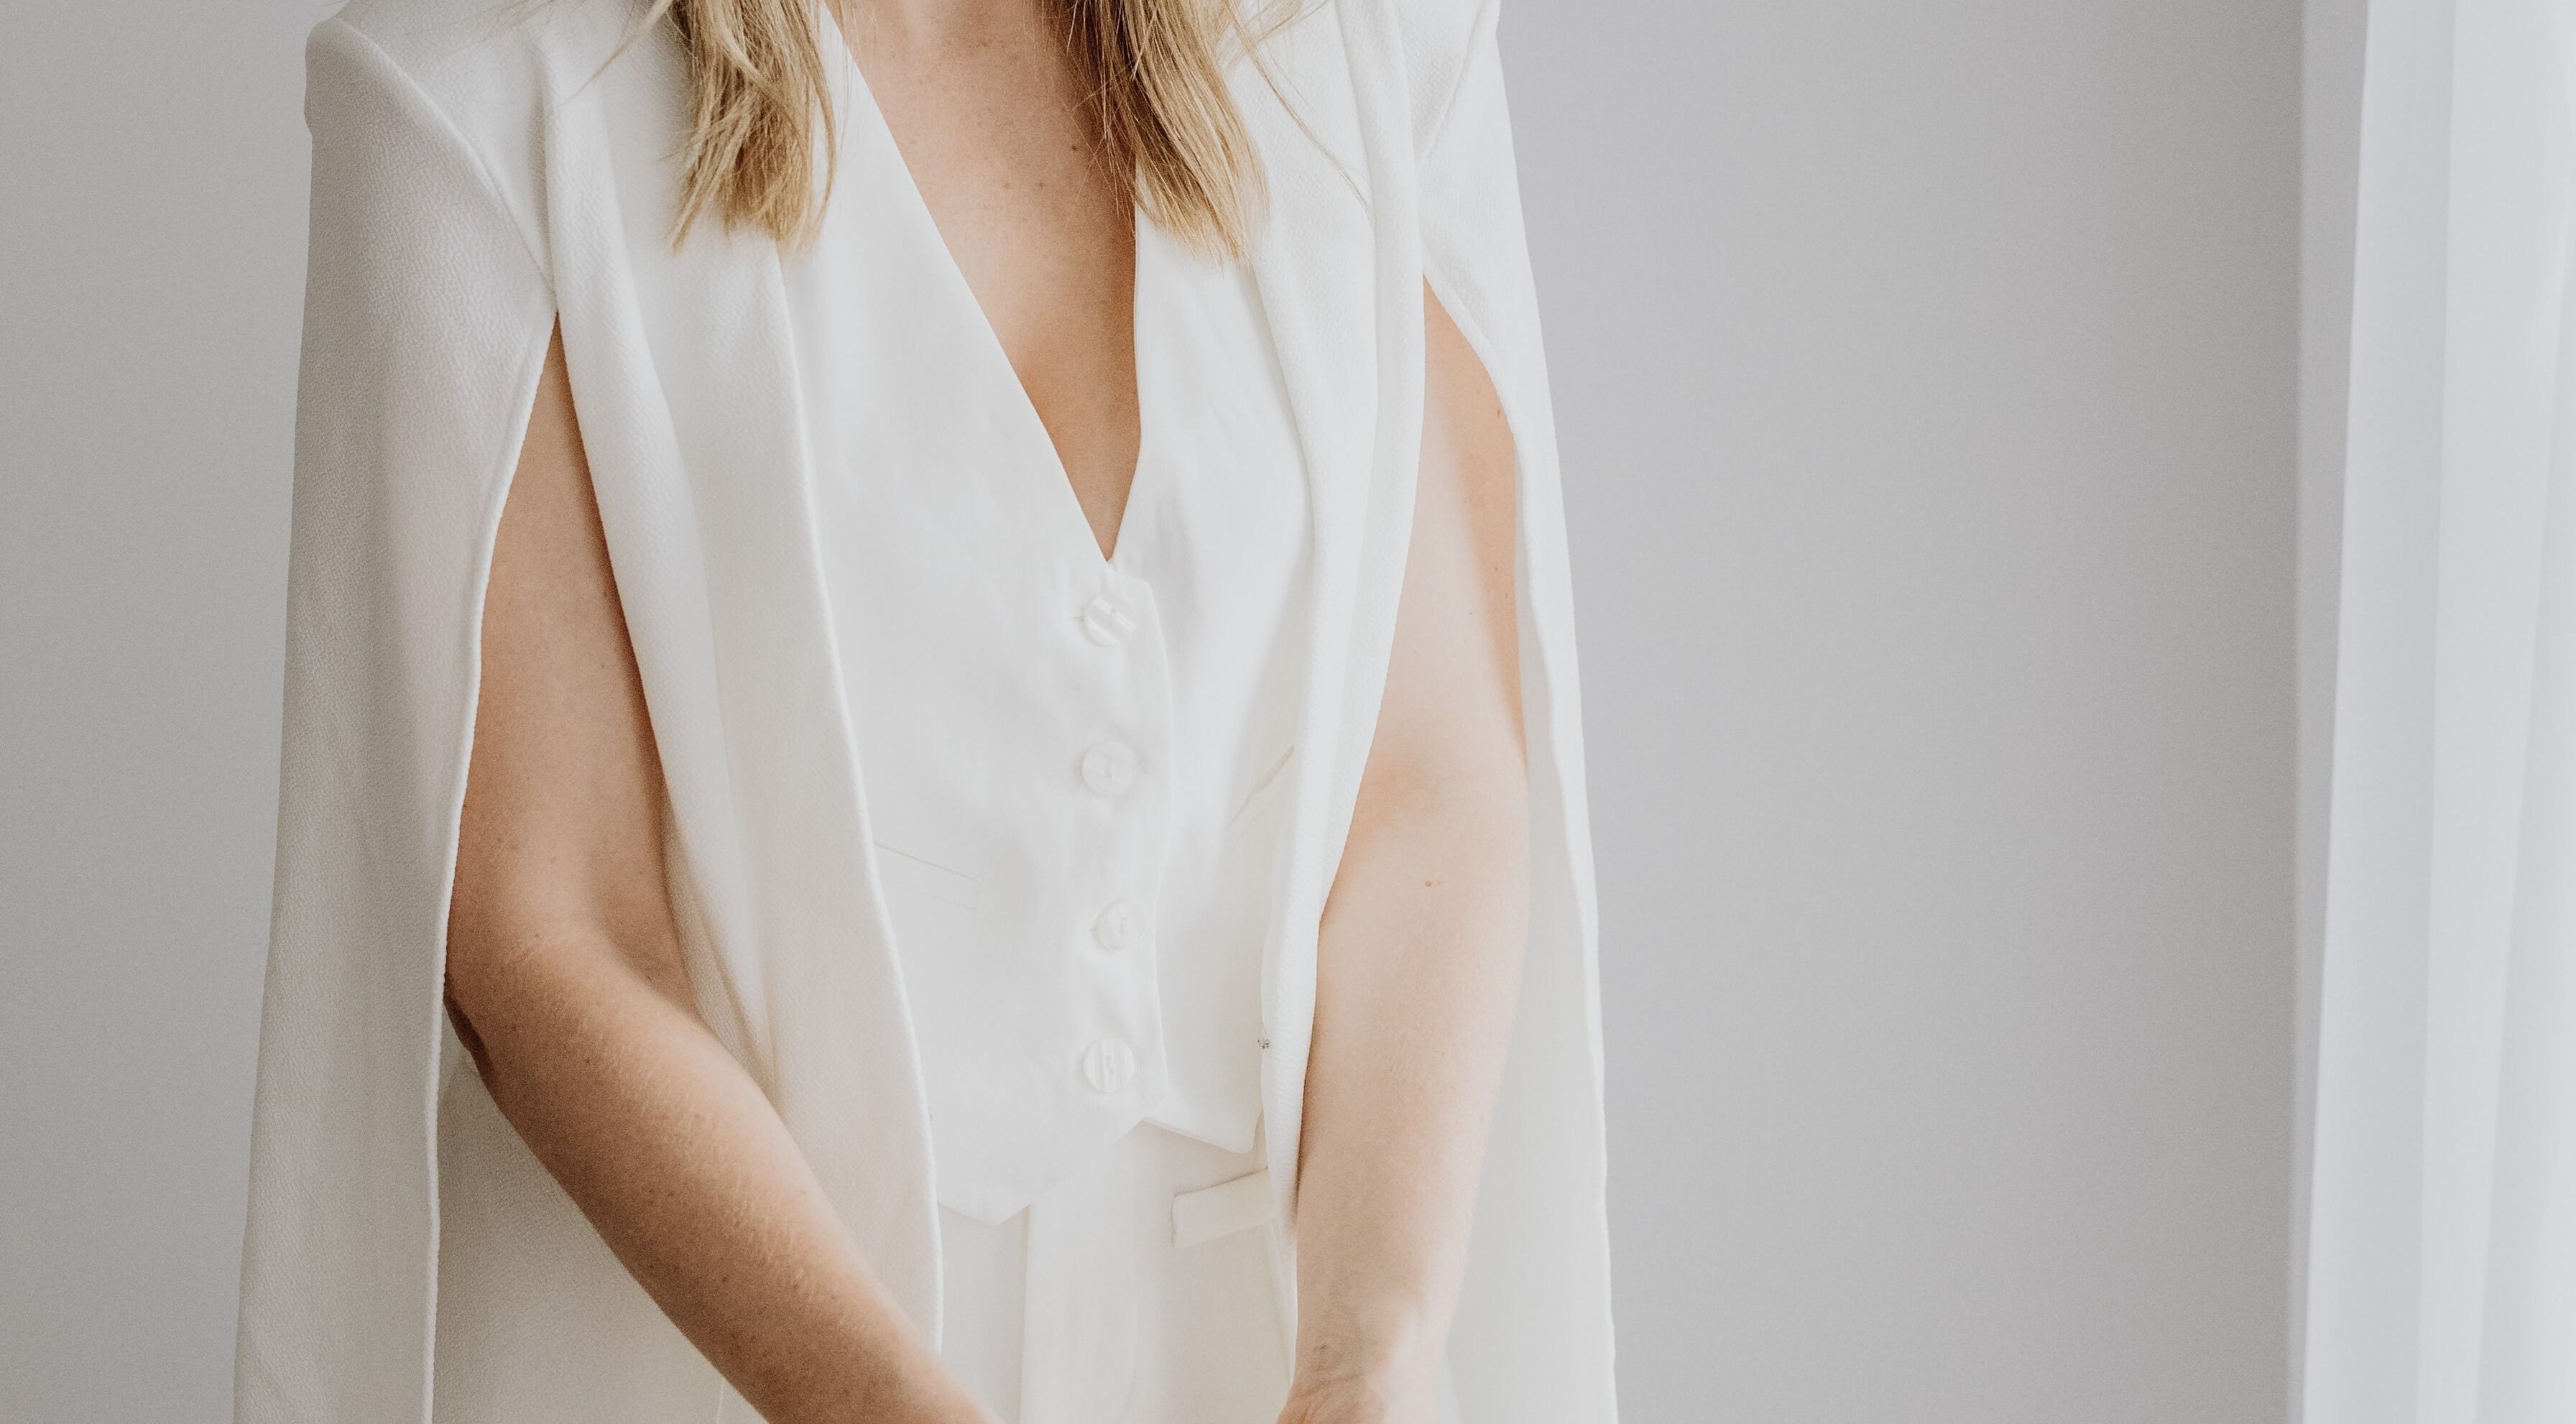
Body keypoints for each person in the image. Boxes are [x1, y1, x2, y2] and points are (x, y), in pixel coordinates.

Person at [233, 0, 1613, 1418]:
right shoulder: (489, 91)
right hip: (733, 1354)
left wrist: (1362, 1363)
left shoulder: (1355, 44)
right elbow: (552, 926)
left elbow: (1427, 770)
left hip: (1255, 1340)